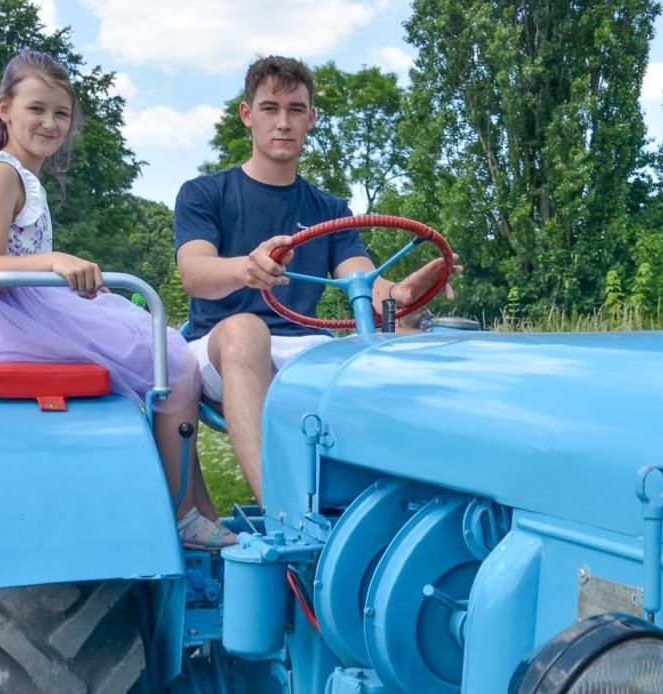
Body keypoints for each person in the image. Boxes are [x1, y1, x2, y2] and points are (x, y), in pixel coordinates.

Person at [0, 49, 229, 548]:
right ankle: (180, 513)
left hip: (31, 309)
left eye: (61, 113)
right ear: (5, 111)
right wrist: (55, 261)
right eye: (36, 108)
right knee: (177, 364)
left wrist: (65, 272)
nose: (50, 122)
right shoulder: (2, 172)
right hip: (16, 318)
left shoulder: (22, 175)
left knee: (165, 354)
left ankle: (193, 505)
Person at [174, 55, 455, 505]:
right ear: (247, 115)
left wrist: (399, 295)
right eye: (270, 108)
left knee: (410, 336)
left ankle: (400, 505)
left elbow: (361, 277)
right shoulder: (204, 193)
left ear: (311, 119)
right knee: (248, 330)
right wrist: (245, 268)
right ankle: (284, 515)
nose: (282, 123)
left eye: (295, 110)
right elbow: (194, 273)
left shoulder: (329, 207)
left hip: (303, 349)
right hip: (219, 347)